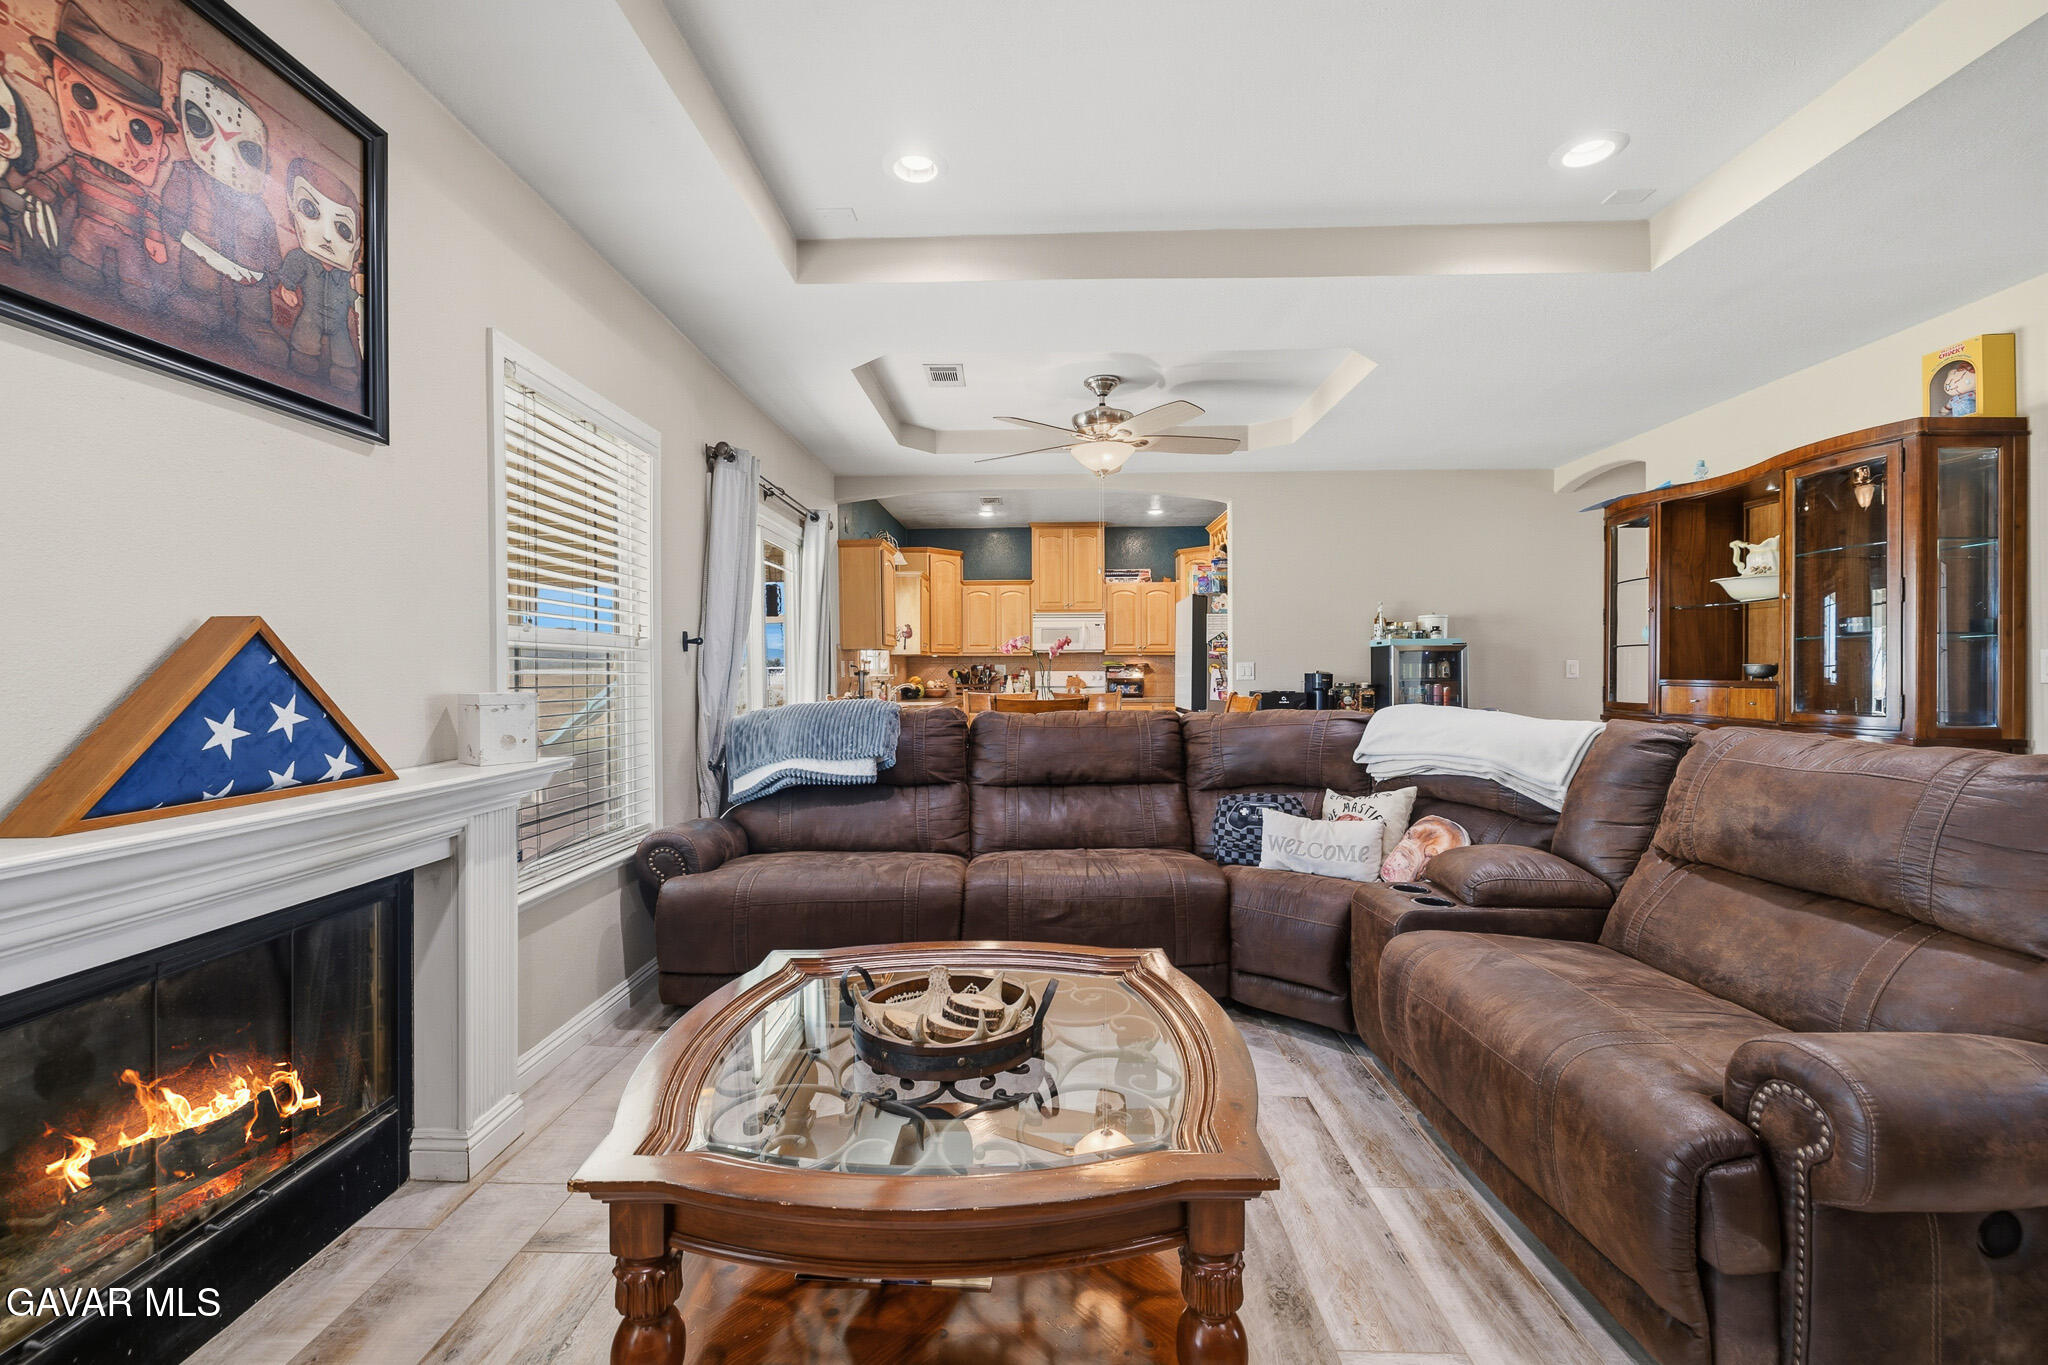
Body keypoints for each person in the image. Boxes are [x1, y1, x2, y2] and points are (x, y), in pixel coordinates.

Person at [21, 2, 175, 307]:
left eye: (140, 129)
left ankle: (137, 290)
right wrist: (39, 190)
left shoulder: (140, 188)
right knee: (83, 258)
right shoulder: (80, 166)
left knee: (135, 276)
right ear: (55, 91)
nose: (117, 135)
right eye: (86, 97)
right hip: (89, 226)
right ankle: (83, 271)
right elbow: (57, 180)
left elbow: (149, 213)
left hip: (129, 238)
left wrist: (154, 238)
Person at [158, 70, 284, 362]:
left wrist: (275, 273)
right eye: (202, 125)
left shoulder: (258, 206)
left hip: (250, 272)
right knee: (198, 289)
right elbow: (172, 212)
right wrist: (185, 234)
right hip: (201, 257)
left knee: (256, 300)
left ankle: (255, 325)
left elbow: (269, 244)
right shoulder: (186, 174)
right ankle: (200, 304)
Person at [273, 155, 363, 393]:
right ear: (293, 211)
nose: (327, 237)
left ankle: (343, 371)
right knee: (306, 334)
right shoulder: (302, 258)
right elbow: (291, 270)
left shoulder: (345, 276)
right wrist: (287, 287)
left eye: (342, 229)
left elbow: (354, 297)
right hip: (311, 312)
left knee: (343, 348)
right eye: (311, 210)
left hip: (339, 322)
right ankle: (303, 358)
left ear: (355, 245)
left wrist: (359, 291)